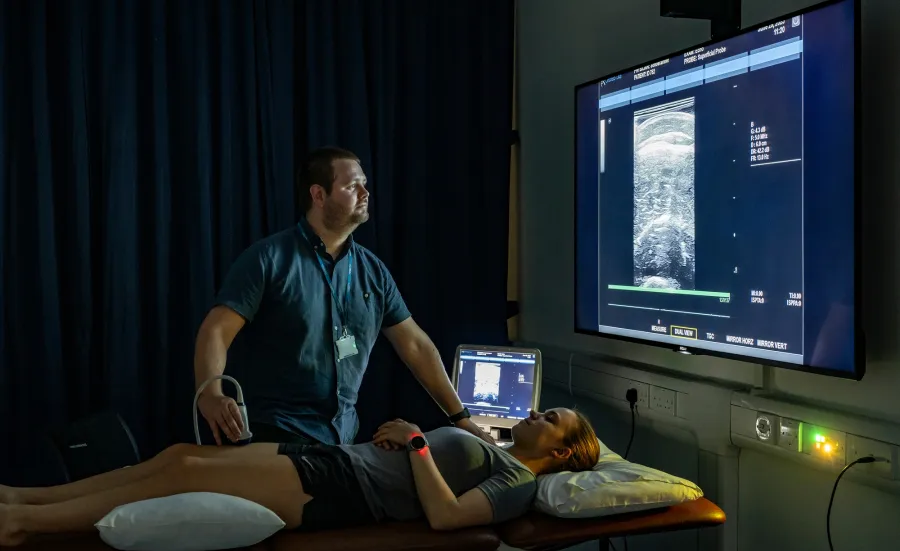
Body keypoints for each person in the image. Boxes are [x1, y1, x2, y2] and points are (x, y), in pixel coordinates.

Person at [192, 146, 494, 448]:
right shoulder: (268, 259)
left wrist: (461, 417)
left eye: (364, 184)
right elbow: (216, 330)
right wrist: (211, 394)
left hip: (341, 439)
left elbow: (415, 345)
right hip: (275, 433)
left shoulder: (372, 271)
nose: (365, 193)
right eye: (352, 186)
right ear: (319, 195)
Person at [0, 408, 600, 544]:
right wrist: (406, 441)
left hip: (345, 491)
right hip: (339, 456)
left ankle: (25, 525)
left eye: (551, 420)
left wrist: (417, 442)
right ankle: (29, 496)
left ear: (567, 452)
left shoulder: (516, 482)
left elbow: (445, 516)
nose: (536, 414)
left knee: (181, 475)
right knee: (181, 455)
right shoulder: (486, 443)